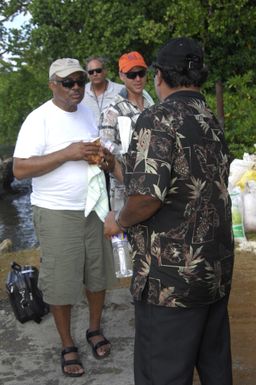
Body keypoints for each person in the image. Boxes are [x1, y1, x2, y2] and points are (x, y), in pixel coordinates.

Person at [104, 38, 234, 385]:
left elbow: (147, 198)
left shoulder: (157, 117)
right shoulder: (210, 118)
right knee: (215, 367)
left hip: (170, 279)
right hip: (214, 269)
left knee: (162, 374)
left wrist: (118, 219)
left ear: (159, 76)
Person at [12, 58, 116, 377]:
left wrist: (106, 160)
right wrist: (68, 154)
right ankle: (67, 343)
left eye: (80, 82)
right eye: (68, 82)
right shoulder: (38, 119)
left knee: (97, 274)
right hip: (56, 212)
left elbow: (99, 152)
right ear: (52, 85)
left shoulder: (89, 111)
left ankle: (94, 329)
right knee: (61, 281)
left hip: (94, 206)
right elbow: (19, 170)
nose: (76, 88)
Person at [99, 51, 154, 210]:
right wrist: (132, 187)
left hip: (154, 191)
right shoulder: (111, 112)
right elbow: (105, 155)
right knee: (123, 235)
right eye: (131, 74)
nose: (137, 79)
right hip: (125, 197)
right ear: (122, 76)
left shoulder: (153, 106)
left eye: (141, 73)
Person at [82, 56, 124, 126]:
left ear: (105, 71)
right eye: (91, 72)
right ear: (87, 75)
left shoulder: (121, 90)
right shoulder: (81, 92)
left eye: (98, 70)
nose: (95, 74)